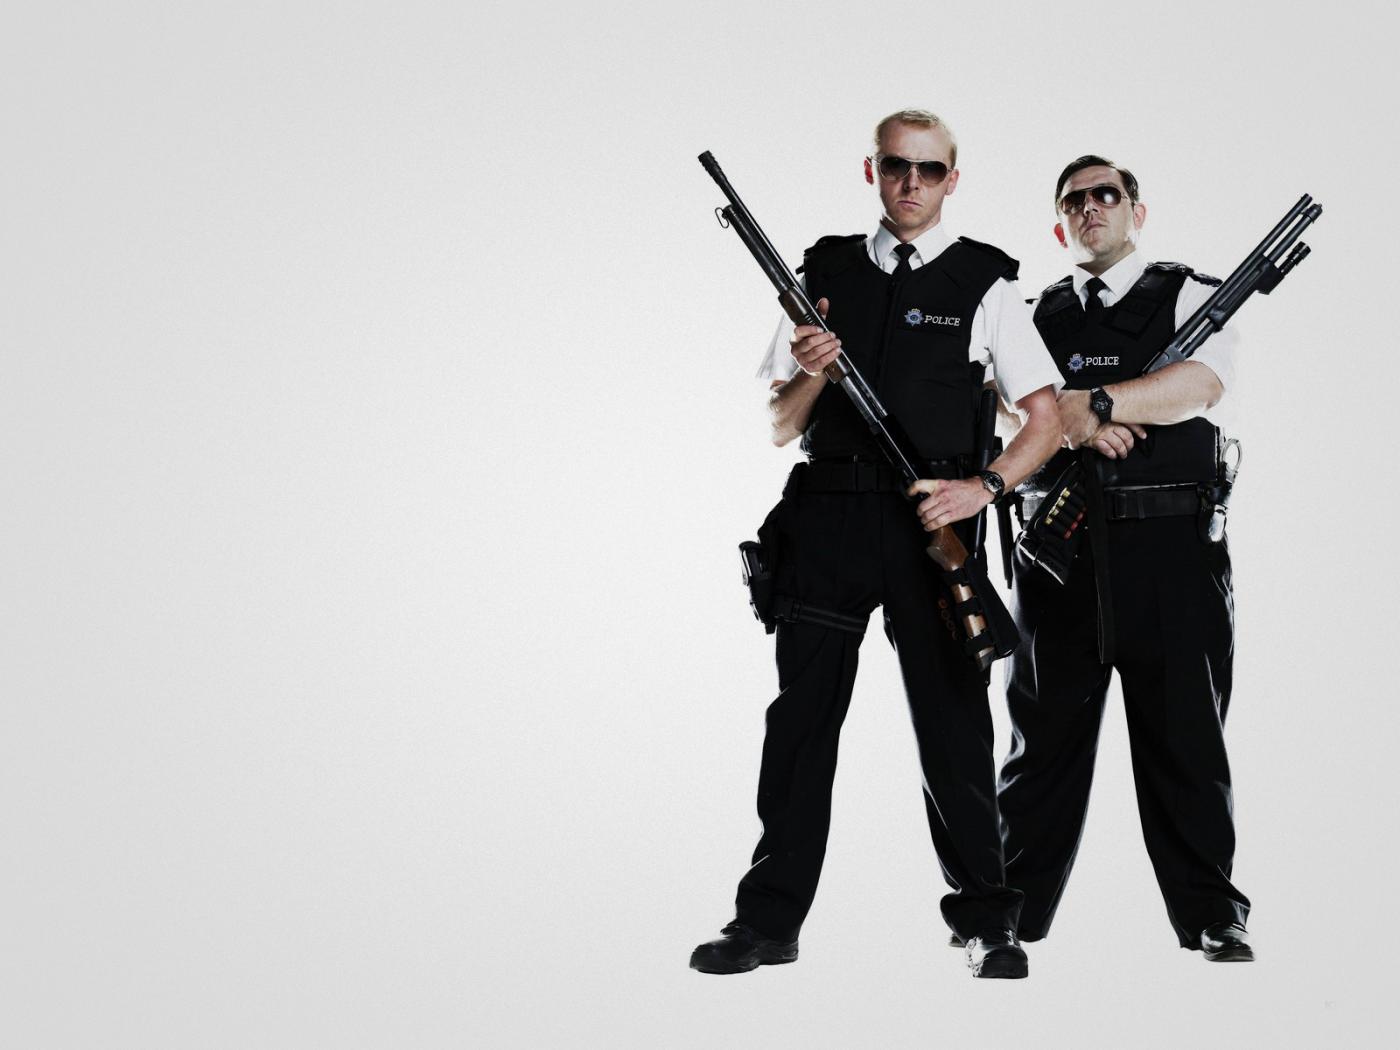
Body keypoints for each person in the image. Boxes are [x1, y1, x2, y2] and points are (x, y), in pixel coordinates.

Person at [690, 109, 1063, 979]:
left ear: (951, 181)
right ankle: (766, 924)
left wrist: (985, 487)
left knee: (955, 733)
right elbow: (780, 424)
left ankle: (988, 924)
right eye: (896, 166)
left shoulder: (987, 282)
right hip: (826, 522)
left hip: (935, 525)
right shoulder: (820, 273)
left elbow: (1044, 420)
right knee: (800, 728)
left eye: (929, 170)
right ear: (873, 170)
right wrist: (813, 371)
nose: (910, 184)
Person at [995, 155, 1254, 962]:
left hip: (1171, 552)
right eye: (1074, 200)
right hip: (1059, 554)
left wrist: (1098, 403)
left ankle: (1212, 914)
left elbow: (1201, 384)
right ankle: (1008, 916)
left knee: (1187, 740)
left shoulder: (1191, 294)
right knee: (1040, 746)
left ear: (1136, 211)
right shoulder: (1031, 315)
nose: (1091, 207)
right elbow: (1007, 407)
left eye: (1106, 194)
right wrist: (1065, 422)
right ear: (1059, 226)